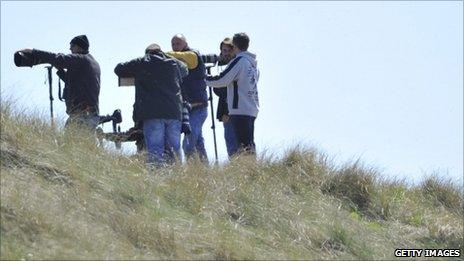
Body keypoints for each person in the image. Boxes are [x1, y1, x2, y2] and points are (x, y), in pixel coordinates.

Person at [114, 43, 188, 166]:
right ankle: (177, 178)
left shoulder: (142, 61)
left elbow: (119, 69)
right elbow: (185, 70)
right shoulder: (173, 63)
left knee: (155, 150)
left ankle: (157, 179)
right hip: (174, 112)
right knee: (174, 150)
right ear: (161, 52)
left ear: (147, 52)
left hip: (153, 113)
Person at [19, 35, 101, 133]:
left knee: (73, 146)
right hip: (85, 115)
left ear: (79, 47)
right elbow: (76, 83)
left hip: (83, 116)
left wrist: (33, 51)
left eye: (72, 45)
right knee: (73, 145)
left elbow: (59, 59)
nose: (70, 48)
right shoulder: (90, 61)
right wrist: (61, 71)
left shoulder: (82, 59)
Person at [206, 33, 260, 156]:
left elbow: (222, 80)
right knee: (248, 144)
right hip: (251, 108)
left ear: (235, 46)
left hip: (239, 109)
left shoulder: (240, 61)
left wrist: (204, 79)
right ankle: (252, 171)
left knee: (240, 147)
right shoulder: (253, 64)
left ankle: (247, 172)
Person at [168, 34, 209, 162]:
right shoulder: (175, 61)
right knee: (198, 143)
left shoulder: (193, 55)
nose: (175, 47)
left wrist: (160, 54)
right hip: (188, 108)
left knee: (188, 143)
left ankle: (192, 172)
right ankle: (204, 171)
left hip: (198, 106)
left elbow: (186, 58)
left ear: (185, 44)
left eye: (178, 43)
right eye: (173, 44)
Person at [213, 37, 239, 157]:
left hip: (236, 109)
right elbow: (218, 90)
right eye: (224, 50)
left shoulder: (238, 65)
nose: (227, 53)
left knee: (237, 142)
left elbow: (233, 90)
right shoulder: (220, 65)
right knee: (230, 142)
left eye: (229, 50)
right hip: (226, 108)